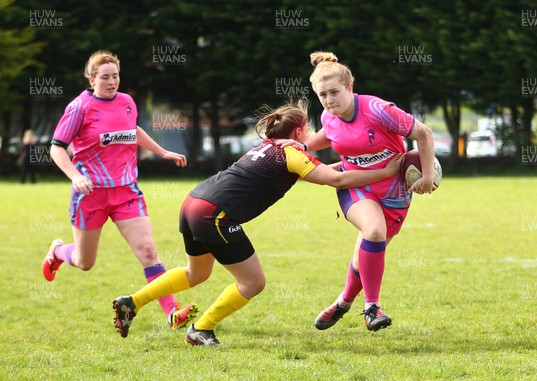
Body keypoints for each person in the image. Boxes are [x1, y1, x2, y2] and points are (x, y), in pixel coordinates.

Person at [112, 100, 404, 346]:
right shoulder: (293, 153)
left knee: (196, 273)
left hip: (193, 203)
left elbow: (323, 171)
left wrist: (361, 165)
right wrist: (387, 171)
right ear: (300, 131)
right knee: (253, 282)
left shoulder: (269, 146)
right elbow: (337, 180)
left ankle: (132, 301)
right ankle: (201, 328)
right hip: (214, 215)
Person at [42, 50, 198, 330]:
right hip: (90, 194)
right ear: (92, 79)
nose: (111, 81)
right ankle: (57, 252)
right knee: (85, 261)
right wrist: (75, 176)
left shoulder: (126, 102)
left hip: (126, 192)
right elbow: (56, 148)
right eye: (105, 77)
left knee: (149, 252)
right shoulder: (79, 107)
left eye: (115, 76)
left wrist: (162, 152)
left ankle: (172, 313)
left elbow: (133, 130)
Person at [289, 51, 436, 332]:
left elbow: (424, 134)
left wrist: (427, 177)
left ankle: (343, 302)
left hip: (395, 192)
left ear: (350, 87)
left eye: (334, 92)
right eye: (322, 95)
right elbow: (328, 133)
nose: (329, 100)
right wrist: (305, 146)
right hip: (355, 185)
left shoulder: (378, 110)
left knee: (364, 256)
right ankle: (372, 307)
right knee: (373, 231)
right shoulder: (329, 115)